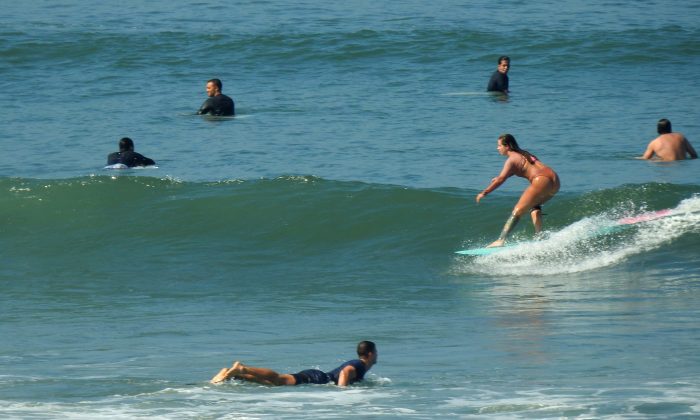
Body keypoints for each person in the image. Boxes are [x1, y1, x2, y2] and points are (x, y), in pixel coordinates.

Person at [476, 134, 560, 247]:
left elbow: (501, 179)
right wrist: (504, 176)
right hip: (555, 179)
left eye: (499, 145)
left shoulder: (512, 159)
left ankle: (500, 240)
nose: (497, 148)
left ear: (507, 146)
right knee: (535, 206)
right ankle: (540, 236)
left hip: (541, 180)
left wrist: (484, 192)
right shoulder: (524, 153)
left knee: (517, 211)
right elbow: (521, 169)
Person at [210, 341, 377, 387]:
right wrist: (343, 393)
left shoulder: (360, 364)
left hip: (316, 377)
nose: (377, 355)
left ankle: (236, 375)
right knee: (279, 379)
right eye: (376, 352)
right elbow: (346, 372)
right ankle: (242, 368)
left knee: (273, 384)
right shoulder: (360, 364)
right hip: (317, 378)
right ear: (369, 354)